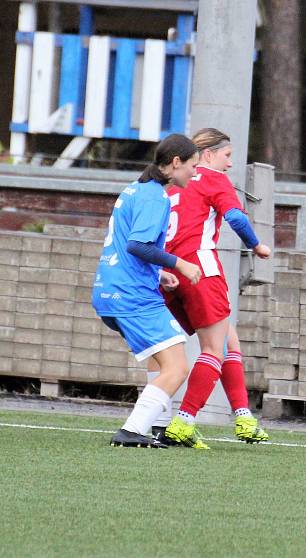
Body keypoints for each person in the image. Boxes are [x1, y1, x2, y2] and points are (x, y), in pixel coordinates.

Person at [157, 128, 272, 449]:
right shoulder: (212, 178)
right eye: (227, 156)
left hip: (169, 272)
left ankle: (244, 417)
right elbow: (235, 218)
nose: (230, 164)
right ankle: (184, 421)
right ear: (207, 155)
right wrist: (256, 245)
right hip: (200, 269)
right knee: (213, 350)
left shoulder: (173, 184)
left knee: (228, 341)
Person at [92, 134, 201, 448]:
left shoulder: (135, 189)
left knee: (160, 361)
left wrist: (160, 272)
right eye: (192, 166)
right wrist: (179, 264)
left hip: (111, 290)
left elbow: (131, 245)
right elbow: (137, 244)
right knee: (178, 366)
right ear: (175, 163)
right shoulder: (155, 196)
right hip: (132, 295)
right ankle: (133, 430)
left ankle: (153, 427)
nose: (194, 173)